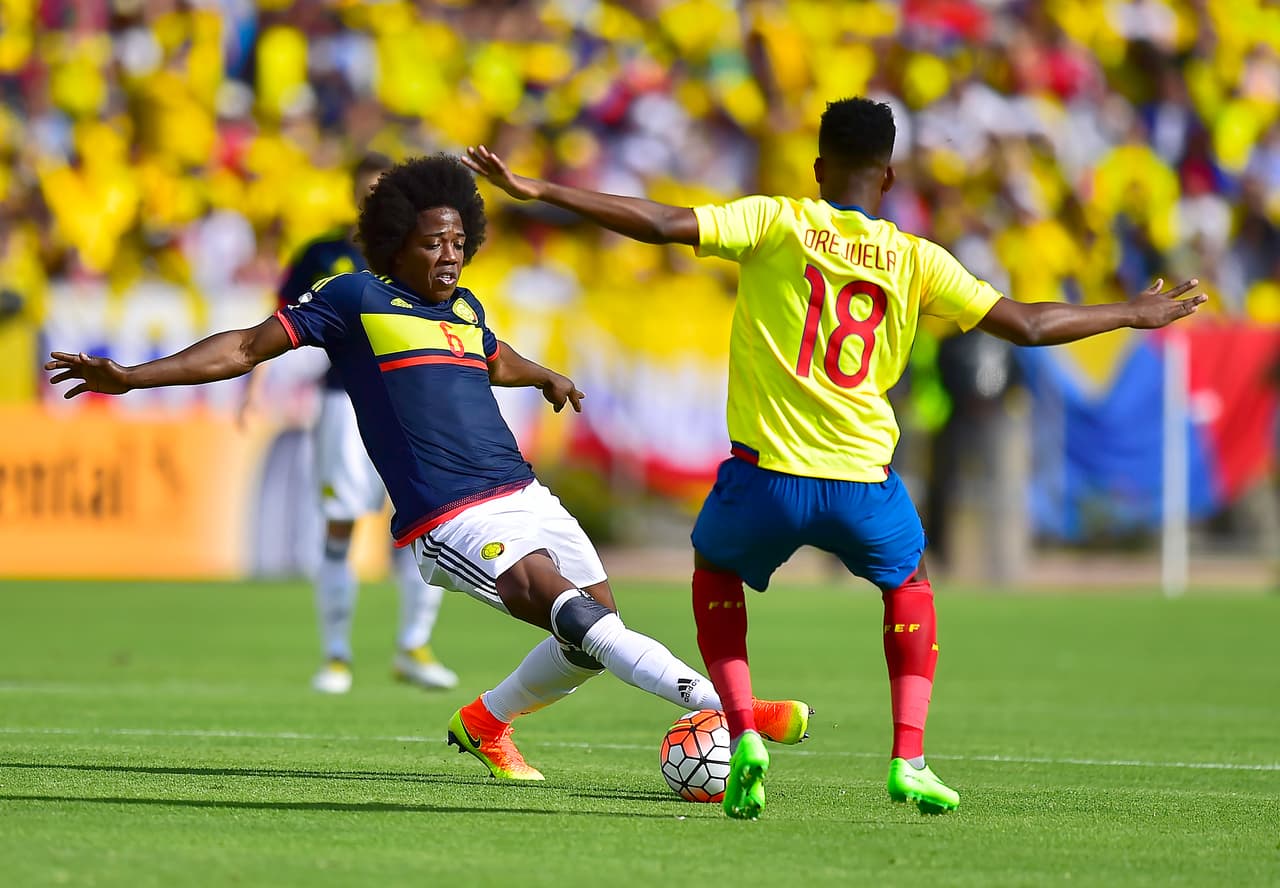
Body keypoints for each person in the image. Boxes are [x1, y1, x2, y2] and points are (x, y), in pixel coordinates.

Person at [461, 96, 1206, 820]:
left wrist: (541, 188)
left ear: (819, 169)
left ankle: (745, 729)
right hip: (863, 483)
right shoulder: (917, 258)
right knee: (909, 584)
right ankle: (908, 759)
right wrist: (1130, 312)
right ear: (888, 177)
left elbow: (660, 222)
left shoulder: (776, 221)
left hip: (768, 476)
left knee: (716, 572)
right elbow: (1027, 324)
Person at [46, 154, 812, 784]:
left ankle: (485, 722)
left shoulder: (466, 311)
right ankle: (736, 710)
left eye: (457, 242)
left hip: (527, 495)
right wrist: (134, 377)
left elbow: (493, 357)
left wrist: (545, 375)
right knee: (581, 619)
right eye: (431, 243)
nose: (449, 255)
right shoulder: (353, 299)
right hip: (452, 517)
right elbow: (245, 347)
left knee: (586, 641)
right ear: (394, 246)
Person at [240, 152, 457, 695]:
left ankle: (414, 646)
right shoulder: (323, 253)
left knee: (424, 523)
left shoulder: (419, 253)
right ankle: (336, 655)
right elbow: (274, 323)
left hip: (413, 406)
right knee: (341, 523)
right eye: (365, 193)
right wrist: (254, 388)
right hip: (343, 401)